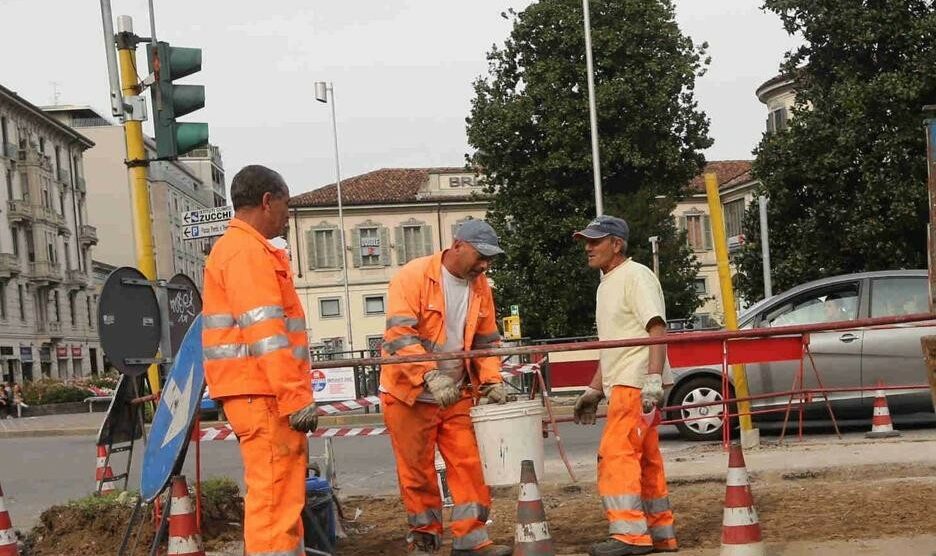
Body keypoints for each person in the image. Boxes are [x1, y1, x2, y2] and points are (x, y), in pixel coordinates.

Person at [202, 165, 318, 556]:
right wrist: (295, 397)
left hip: (257, 392)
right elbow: (266, 333)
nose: (287, 215)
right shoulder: (246, 251)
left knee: (280, 498)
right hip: (263, 395)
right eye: (285, 204)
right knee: (273, 501)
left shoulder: (241, 249)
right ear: (267, 201)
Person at [381, 219, 512, 555]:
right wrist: (429, 375)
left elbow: (486, 340)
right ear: (457, 246)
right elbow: (400, 336)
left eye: (490, 260)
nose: (485, 265)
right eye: (481, 256)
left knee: (468, 464)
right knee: (417, 472)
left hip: (455, 393)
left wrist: (492, 379)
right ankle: (425, 540)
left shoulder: (480, 285)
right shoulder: (413, 277)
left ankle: (471, 539)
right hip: (409, 393)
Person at [572, 215, 678, 556]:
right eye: (586, 241)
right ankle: (659, 532)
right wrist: (594, 389)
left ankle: (629, 534)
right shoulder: (609, 282)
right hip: (628, 383)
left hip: (633, 386)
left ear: (616, 244)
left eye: (595, 241)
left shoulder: (636, 276)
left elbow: (657, 330)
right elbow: (616, 345)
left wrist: (651, 379)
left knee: (617, 455)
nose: (588, 248)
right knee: (645, 460)